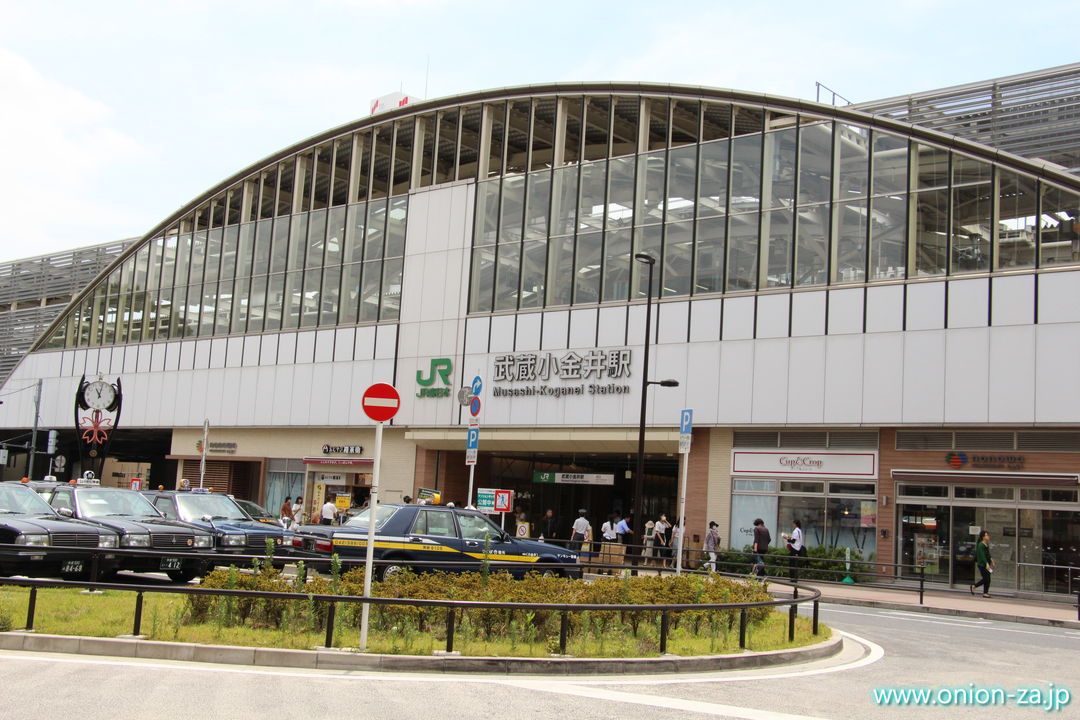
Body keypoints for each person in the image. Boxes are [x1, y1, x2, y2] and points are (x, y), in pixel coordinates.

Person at [971, 529, 994, 598]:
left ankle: (985, 593)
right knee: (986, 579)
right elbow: (982, 555)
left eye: (988, 535)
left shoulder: (986, 544)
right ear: (983, 537)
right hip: (982, 565)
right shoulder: (981, 545)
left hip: (986, 564)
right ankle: (974, 586)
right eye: (986, 535)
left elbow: (988, 554)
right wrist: (986, 563)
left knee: (988, 579)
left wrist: (992, 560)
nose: (988, 536)